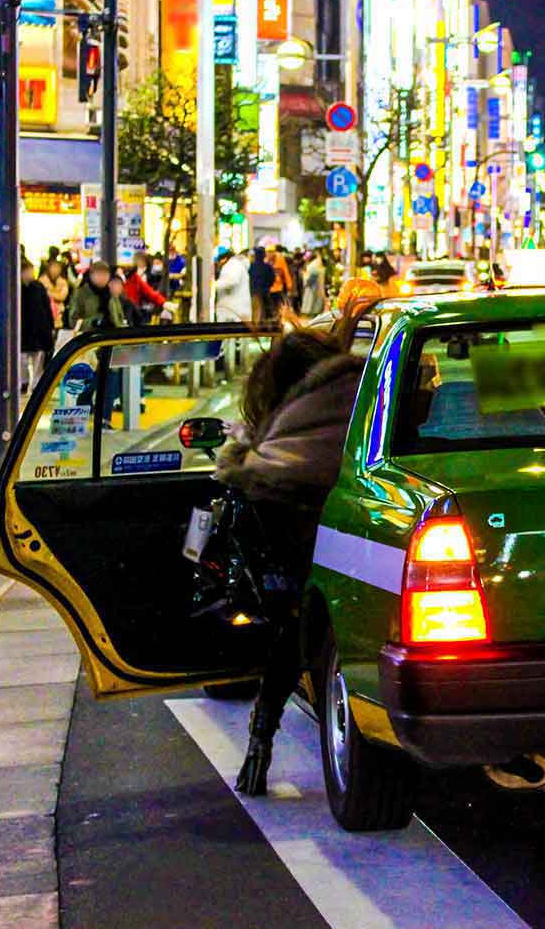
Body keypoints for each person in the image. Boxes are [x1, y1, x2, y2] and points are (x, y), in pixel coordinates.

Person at [216, 308, 369, 795]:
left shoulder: (285, 427)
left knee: (291, 622)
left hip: (302, 551)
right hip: (367, 550)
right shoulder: (365, 389)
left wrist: (237, 451)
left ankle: (261, 739)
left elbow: (251, 472)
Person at [20, 259, 57, 393]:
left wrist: (49, 326)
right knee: (22, 359)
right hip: (22, 331)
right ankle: (23, 382)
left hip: (38, 329)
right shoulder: (15, 288)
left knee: (38, 359)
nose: (31, 274)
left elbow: (46, 308)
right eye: (28, 271)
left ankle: (36, 384)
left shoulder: (38, 287)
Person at [67, 260, 130, 330]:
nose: (102, 278)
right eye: (99, 274)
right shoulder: (81, 293)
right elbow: (72, 321)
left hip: (112, 336)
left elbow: (120, 316)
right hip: (91, 337)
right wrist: (93, 322)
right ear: (91, 275)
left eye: (105, 274)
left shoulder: (111, 293)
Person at [214, 248, 252, 324]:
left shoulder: (232, 265)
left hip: (232, 311)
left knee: (230, 333)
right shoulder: (236, 265)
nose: (217, 265)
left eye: (217, 262)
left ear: (224, 259)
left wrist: (213, 285)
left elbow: (231, 281)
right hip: (236, 310)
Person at [42, 257, 72, 328]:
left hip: (60, 316)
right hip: (46, 315)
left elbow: (62, 296)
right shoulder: (42, 281)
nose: (55, 270)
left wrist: (48, 292)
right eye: (53, 267)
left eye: (57, 268)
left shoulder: (63, 282)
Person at [248, 246, 275, 321]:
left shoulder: (251, 266)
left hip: (254, 291)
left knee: (256, 310)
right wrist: (268, 286)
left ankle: (256, 327)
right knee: (265, 310)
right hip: (265, 291)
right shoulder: (268, 267)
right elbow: (272, 279)